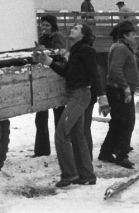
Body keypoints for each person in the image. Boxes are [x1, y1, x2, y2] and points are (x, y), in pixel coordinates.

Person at [37, 23, 99, 187]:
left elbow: (95, 73)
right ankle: (87, 175)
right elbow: (66, 73)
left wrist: (103, 96)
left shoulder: (87, 50)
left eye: (77, 28)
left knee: (61, 134)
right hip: (74, 95)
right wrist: (48, 61)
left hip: (80, 95)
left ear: (83, 35)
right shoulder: (76, 51)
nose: (72, 29)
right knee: (77, 136)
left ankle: (70, 174)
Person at [98, 20, 139, 169]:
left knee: (117, 122)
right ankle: (122, 155)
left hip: (117, 90)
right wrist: (126, 88)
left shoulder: (123, 47)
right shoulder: (122, 48)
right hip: (120, 91)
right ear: (125, 35)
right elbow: (115, 69)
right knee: (127, 123)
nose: (135, 36)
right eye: (133, 34)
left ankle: (106, 152)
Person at [32, 15, 67, 157]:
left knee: (58, 116)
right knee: (40, 117)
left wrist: (44, 50)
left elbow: (60, 53)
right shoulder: (42, 37)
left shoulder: (58, 37)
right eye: (43, 25)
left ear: (53, 25)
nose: (44, 27)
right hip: (44, 78)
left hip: (56, 77)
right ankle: (41, 150)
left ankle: (62, 149)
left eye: (47, 25)